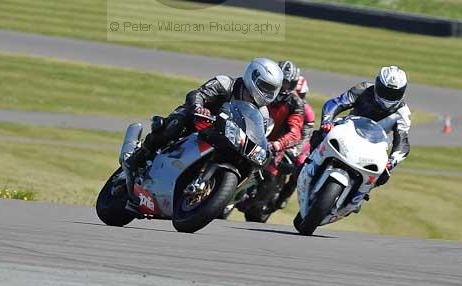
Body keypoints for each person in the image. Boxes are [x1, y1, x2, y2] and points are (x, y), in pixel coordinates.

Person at [123, 57, 284, 192]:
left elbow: (257, 135)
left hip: (227, 139)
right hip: (200, 121)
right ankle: (137, 159)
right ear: (252, 76)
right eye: (265, 86)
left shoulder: (263, 114)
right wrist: (199, 108)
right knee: (176, 124)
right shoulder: (226, 83)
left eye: (272, 89)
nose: (268, 92)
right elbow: (197, 94)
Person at [312, 65, 411, 186]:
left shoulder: (403, 113)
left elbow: (403, 142)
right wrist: (327, 121)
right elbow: (337, 103)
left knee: (383, 175)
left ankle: (357, 198)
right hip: (347, 129)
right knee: (320, 135)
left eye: (393, 94)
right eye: (384, 91)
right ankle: (308, 166)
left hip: (373, 146)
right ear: (377, 84)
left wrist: (392, 161)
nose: (387, 96)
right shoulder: (364, 88)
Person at [246, 60, 305, 211]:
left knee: (272, 174)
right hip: (250, 134)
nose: (283, 87)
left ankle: (260, 204)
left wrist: (279, 144)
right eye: (281, 83)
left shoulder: (296, 103)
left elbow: (295, 131)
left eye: (287, 84)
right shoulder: (259, 91)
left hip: (274, 145)